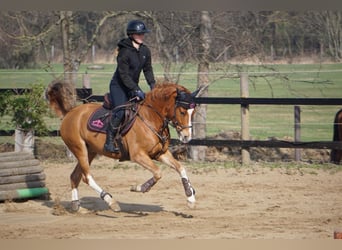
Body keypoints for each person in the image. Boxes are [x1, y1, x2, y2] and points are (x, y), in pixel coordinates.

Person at [104, 20, 156, 153]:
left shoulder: (145, 50)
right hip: (119, 86)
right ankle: (109, 141)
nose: (142, 36)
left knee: (143, 109)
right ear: (132, 35)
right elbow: (124, 75)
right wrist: (136, 89)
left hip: (132, 86)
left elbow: (148, 69)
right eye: (139, 34)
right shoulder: (124, 52)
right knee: (121, 112)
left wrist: (152, 84)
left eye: (143, 34)